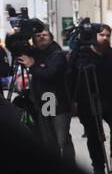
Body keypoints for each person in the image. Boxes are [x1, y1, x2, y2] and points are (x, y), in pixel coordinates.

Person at [70, 24, 112, 174]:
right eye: (101, 35)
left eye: (107, 35)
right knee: (94, 135)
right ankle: (98, 167)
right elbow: (71, 76)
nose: (105, 38)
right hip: (88, 101)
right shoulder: (82, 56)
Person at [18, 24, 75, 163]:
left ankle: (69, 167)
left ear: (51, 37)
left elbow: (50, 74)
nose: (41, 37)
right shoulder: (36, 53)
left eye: (44, 34)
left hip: (57, 102)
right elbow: (15, 49)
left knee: (61, 139)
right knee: (49, 139)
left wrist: (32, 65)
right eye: (38, 35)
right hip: (44, 101)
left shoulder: (57, 54)